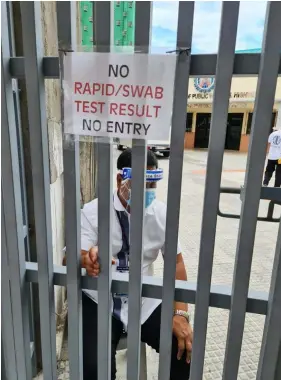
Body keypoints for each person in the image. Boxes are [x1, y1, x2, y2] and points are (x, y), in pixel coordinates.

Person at [80, 148, 193, 380]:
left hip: (144, 299)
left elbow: (177, 264)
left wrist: (180, 313)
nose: (147, 192)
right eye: (140, 184)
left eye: (151, 185)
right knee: (94, 369)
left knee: (184, 350)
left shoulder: (161, 214)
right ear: (120, 179)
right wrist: (87, 259)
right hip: (101, 299)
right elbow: (71, 255)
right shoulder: (93, 212)